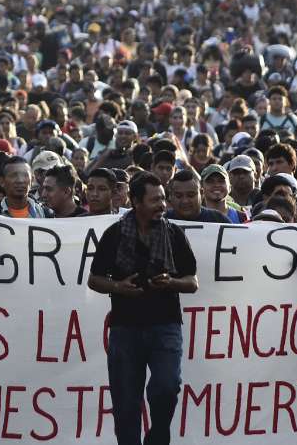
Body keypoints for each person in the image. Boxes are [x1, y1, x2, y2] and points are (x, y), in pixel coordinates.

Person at [88, 173, 199, 445]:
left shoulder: (174, 234)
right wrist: (118, 287)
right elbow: (94, 279)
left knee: (167, 387)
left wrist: (171, 282)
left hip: (165, 327)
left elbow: (192, 282)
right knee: (126, 406)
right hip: (125, 330)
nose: (162, 205)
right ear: (136, 201)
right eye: (155, 200)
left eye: (163, 198)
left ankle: (158, 435)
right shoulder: (114, 235)